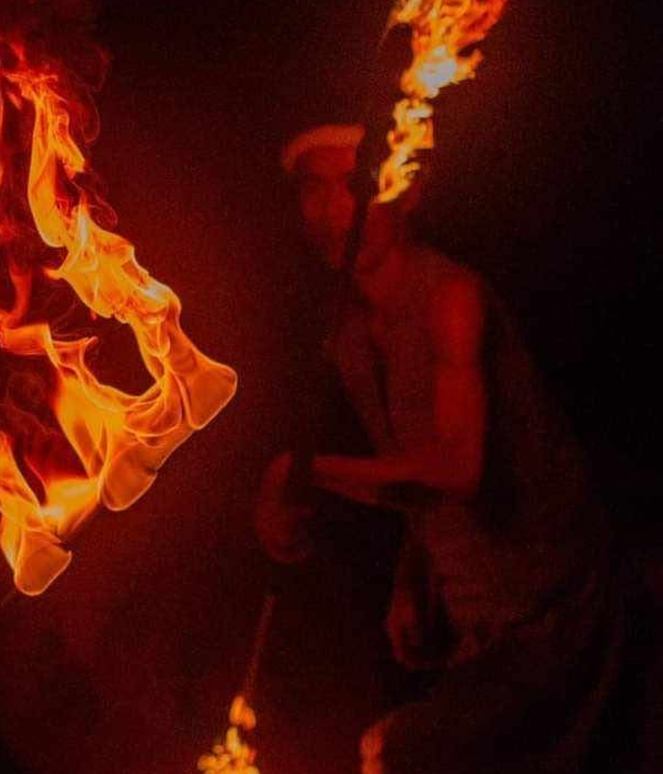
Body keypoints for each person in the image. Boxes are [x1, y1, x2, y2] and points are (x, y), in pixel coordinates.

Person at [257, 125, 627, 774]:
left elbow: (457, 468)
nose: (331, 210)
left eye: (352, 186)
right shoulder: (349, 339)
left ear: (410, 190)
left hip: (558, 613)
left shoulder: (451, 299)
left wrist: (299, 470)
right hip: (479, 629)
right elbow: (414, 469)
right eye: (313, 190)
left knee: (394, 755)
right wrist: (414, 577)